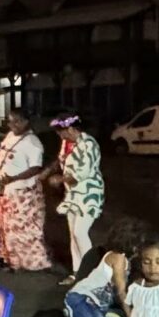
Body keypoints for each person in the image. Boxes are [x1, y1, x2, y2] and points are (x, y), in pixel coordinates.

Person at [62, 218, 145, 317]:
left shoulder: (126, 262)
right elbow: (121, 292)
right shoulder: (117, 258)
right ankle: (72, 311)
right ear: (132, 243)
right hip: (82, 300)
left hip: (99, 306)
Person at [0, 107, 52, 273]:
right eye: (10, 121)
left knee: (24, 229)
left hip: (23, 192)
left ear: (26, 122)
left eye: (17, 121)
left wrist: (13, 178)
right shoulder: (11, 136)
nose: (12, 124)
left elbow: (35, 168)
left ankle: (32, 262)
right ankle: (12, 260)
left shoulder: (32, 142)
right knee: (8, 228)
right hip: (8, 189)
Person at [50, 115, 105, 277]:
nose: (60, 135)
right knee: (73, 234)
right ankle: (77, 272)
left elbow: (83, 172)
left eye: (61, 132)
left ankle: (93, 271)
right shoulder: (67, 143)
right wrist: (49, 172)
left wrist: (59, 179)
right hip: (72, 194)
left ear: (71, 129)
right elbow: (61, 161)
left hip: (89, 194)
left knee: (80, 232)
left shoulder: (89, 144)